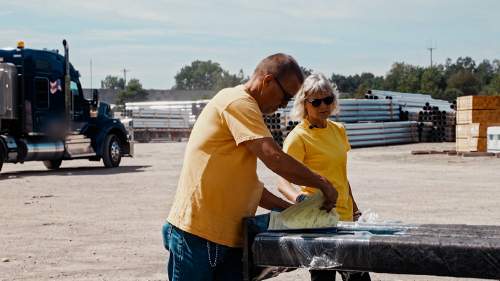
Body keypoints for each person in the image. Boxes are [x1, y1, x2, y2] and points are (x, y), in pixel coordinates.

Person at [163, 54, 339, 281]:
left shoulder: (248, 113)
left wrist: (293, 213)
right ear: (267, 81)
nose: (283, 105)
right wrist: (322, 183)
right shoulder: (237, 101)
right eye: (285, 97)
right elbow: (273, 157)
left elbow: (248, 188)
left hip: (226, 238)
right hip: (198, 235)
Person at [277, 73, 371, 281]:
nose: (323, 105)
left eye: (328, 99)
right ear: (304, 104)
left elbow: (341, 176)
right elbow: (282, 182)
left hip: (346, 221)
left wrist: (355, 210)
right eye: (316, 101)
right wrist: (300, 200)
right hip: (319, 223)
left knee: (359, 278)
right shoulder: (298, 137)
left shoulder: (338, 130)